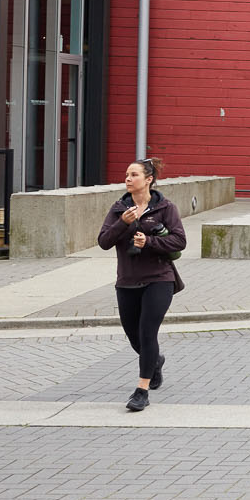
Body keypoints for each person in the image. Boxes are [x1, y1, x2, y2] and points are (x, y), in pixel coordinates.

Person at [97, 157, 186, 412]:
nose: (128, 178)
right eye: (127, 174)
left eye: (134, 175)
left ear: (148, 180)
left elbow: (179, 241)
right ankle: (155, 361)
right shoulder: (119, 209)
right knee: (134, 335)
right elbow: (103, 242)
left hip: (159, 278)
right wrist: (122, 223)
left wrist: (149, 242)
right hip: (127, 280)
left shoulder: (165, 208)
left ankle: (141, 391)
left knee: (148, 333)